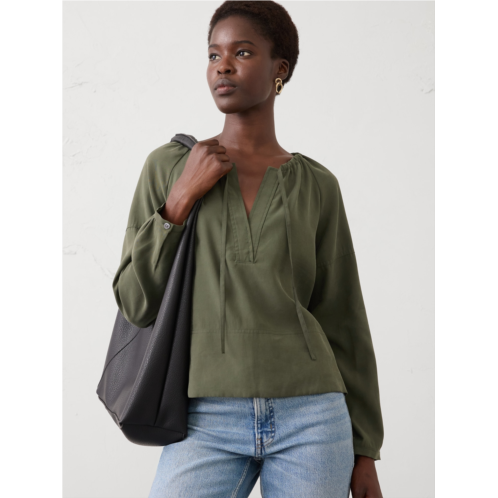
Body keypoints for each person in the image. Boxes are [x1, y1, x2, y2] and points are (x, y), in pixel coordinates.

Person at [112, 1, 384, 497]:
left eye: (241, 52)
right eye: (213, 55)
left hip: (313, 416)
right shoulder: (169, 166)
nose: (223, 66)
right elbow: (135, 300)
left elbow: (344, 318)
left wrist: (365, 449)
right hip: (203, 416)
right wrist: (179, 201)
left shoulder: (317, 184)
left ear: (280, 69)